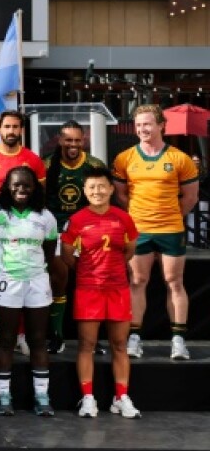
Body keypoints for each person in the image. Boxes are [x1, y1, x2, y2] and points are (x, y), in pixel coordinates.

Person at [112, 104, 199, 361]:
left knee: (174, 282)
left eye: (147, 124)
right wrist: (139, 216)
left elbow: (190, 197)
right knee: (137, 281)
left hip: (170, 229)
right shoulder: (125, 158)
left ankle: (178, 340)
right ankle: (134, 338)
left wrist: (169, 216)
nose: (142, 129)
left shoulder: (179, 158)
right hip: (139, 230)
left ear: (161, 125)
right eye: (138, 125)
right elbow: (121, 194)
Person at [61, 167, 141, 419]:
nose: (97, 191)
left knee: (120, 345)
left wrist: (111, 270)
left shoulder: (123, 218)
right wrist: (88, 271)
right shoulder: (77, 220)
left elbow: (129, 250)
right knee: (87, 345)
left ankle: (121, 397)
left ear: (111, 189)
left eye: (102, 186)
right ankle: (88, 398)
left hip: (117, 288)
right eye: (92, 187)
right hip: (88, 289)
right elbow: (67, 255)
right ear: (85, 191)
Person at [0, 166, 59, 416]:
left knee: (38, 340)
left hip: (37, 282)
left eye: (27, 185)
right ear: (7, 187)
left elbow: (49, 251)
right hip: (7, 282)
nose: (21, 190)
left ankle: (42, 396)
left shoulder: (46, 217)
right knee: (6, 340)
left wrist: (37, 271)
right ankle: (4, 395)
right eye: (16, 185)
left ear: (35, 188)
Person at [0, 110, 47, 356]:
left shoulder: (33, 160)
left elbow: (39, 194)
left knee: (24, 279)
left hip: (25, 229)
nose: (11, 131)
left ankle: (21, 335)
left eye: (15, 127)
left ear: (21, 130)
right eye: (7, 127)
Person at [43, 120, 107, 354]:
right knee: (58, 282)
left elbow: (103, 199)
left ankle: (91, 339)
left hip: (87, 232)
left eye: (77, 140)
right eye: (68, 140)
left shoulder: (94, 165)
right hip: (57, 232)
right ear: (60, 140)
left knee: (90, 286)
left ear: (84, 141)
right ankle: (56, 336)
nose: (73, 144)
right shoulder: (47, 164)